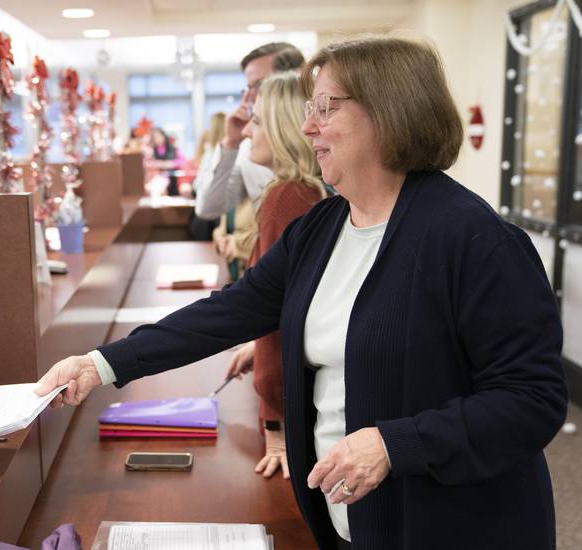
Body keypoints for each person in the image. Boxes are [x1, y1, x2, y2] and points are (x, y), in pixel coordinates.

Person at [36, 35, 567, 550]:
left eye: (325, 108)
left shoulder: (476, 241)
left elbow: (533, 400)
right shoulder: (322, 228)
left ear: (389, 112)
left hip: (452, 524)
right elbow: (231, 311)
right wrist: (102, 364)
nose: (308, 125)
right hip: (348, 514)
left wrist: (393, 444)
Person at [223, 71, 324, 479]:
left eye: (259, 121)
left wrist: (274, 422)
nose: (248, 130)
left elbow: (276, 315)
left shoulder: (286, 195)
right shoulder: (312, 189)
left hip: (294, 406)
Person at [194, 42, 304, 220]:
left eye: (259, 85)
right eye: (248, 87)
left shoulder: (320, 139)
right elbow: (208, 209)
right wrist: (230, 144)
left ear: (293, 81)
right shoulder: (249, 147)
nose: (250, 97)